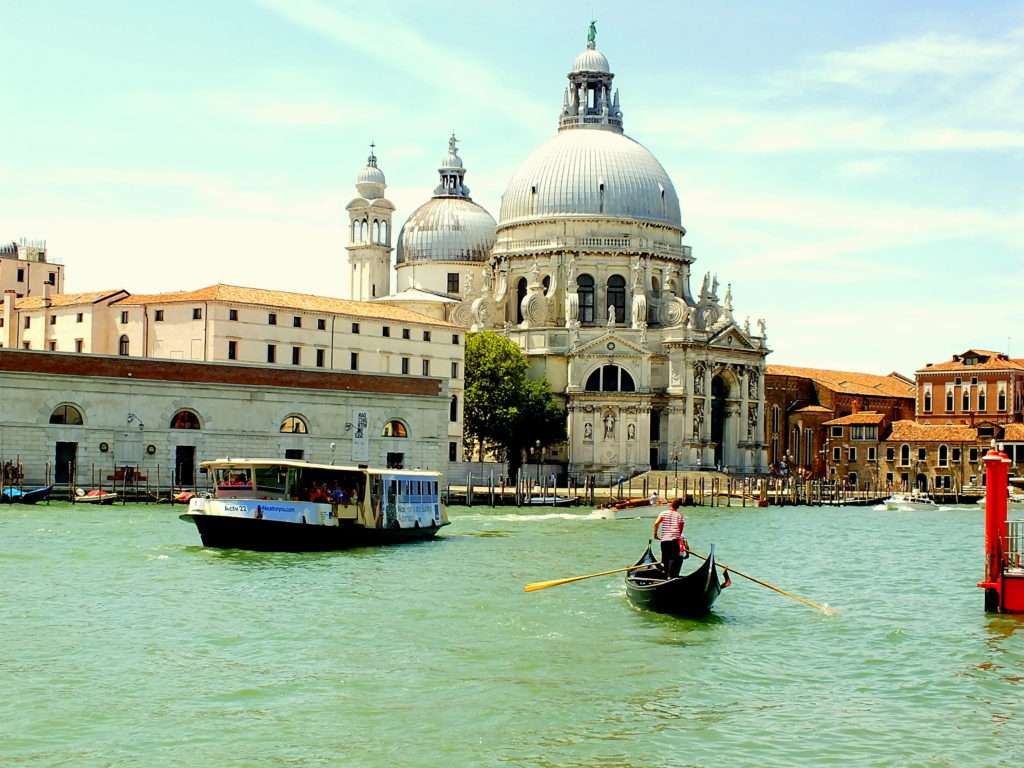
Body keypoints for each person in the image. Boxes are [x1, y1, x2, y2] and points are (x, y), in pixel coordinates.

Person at [652, 499, 686, 577]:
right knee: (673, 559)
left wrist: (655, 535)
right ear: (678, 507)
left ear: (670, 505)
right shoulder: (679, 515)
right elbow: (681, 527)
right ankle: (670, 576)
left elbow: (656, 523)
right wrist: (678, 536)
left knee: (665, 559)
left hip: (664, 540)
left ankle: (666, 575)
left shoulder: (663, 513)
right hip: (674, 540)